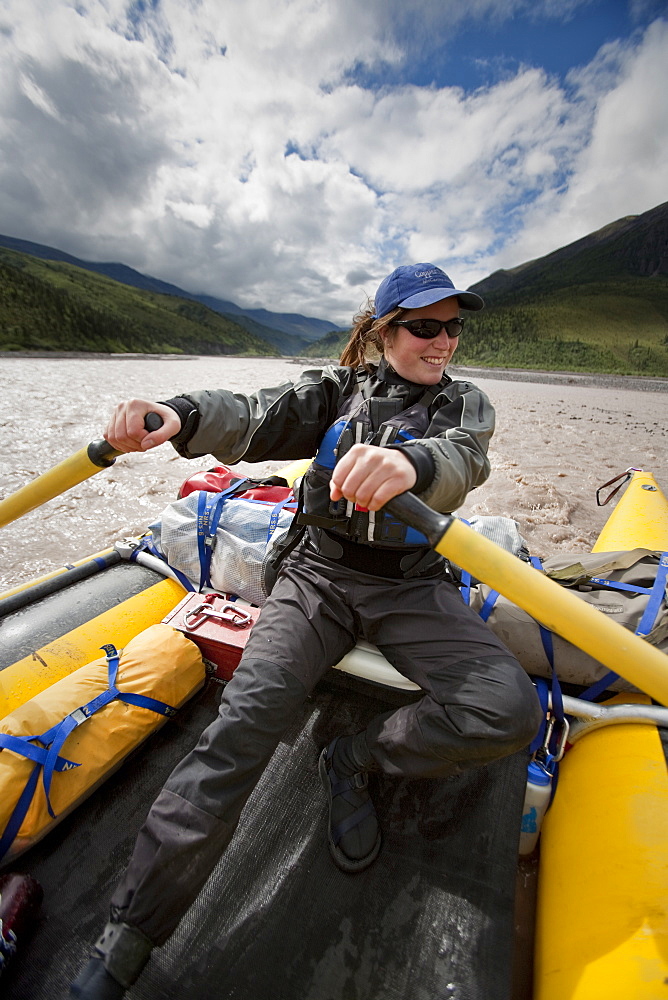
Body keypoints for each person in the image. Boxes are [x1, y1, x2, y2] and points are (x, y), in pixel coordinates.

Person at [70, 263, 542, 999]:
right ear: (385, 331)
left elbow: (463, 461)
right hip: (319, 577)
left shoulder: (465, 405)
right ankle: (126, 937)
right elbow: (255, 412)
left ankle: (352, 761)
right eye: (425, 325)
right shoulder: (332, 391)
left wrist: (409, 462)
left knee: (508, 710)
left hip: (412, 585)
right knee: (246, 721)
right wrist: (179, 414)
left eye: (453, 326)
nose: (443, 340)